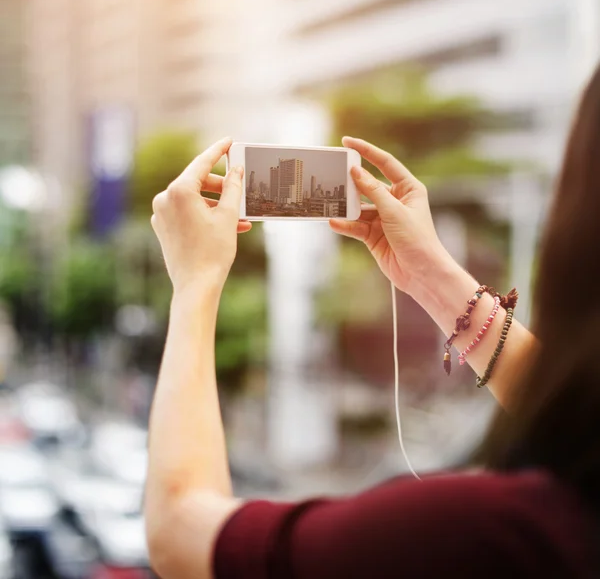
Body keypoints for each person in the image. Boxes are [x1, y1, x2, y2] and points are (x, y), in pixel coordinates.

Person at [144, 64, 600, 578]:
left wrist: (195, 282)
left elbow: (179, 531)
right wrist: (429, 272)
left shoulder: (494, 534)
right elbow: (575, 416)